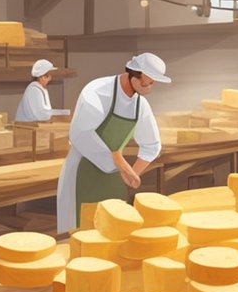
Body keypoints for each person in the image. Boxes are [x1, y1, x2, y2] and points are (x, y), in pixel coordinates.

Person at [56, 53, 167, 233]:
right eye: (145, 83)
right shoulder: (97, 91)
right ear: (132, 74)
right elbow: (80, 134)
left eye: (152, 84)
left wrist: (132, 174)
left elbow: (152, 145)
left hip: (115, 179)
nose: (148, 89)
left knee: (114, 237)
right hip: (82, 175)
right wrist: (118, 160)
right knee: (82, 238)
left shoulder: (140, 105)